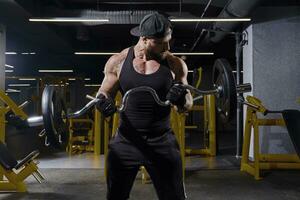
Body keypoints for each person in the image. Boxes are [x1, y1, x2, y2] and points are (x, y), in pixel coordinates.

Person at [96, 12, 193, 200]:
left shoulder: (175, 64)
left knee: (175, 197)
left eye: (168, 40)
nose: (167, 46)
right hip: (126, 140)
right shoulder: (119, 61)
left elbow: (187, 104)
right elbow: (103, 93)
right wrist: (103, 103)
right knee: (115, 196)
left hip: (162, 141)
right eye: (161, 42)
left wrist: (181, 98)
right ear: (144, 38)